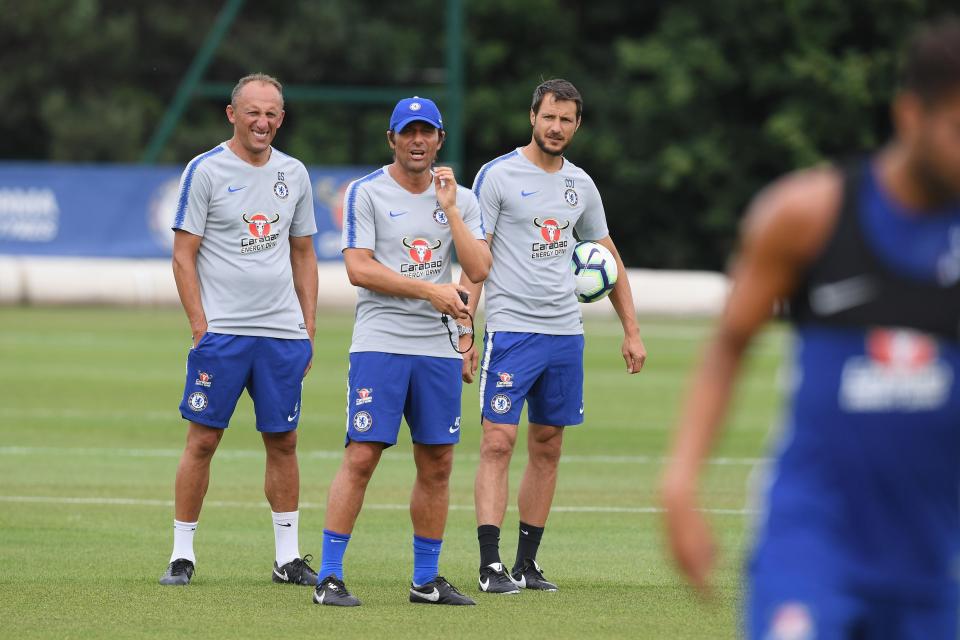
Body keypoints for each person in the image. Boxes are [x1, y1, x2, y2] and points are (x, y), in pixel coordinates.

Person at [662, 19, 960, 639]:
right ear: (911, 115)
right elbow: (728, 346)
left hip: (934, 565)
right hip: (811, 548)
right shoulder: (806, 215)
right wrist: (681, 483)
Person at [459, 79, 647, 594]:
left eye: (566, 120)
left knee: (549, 445)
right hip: (512, 331)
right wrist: (463, 332)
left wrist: (631, 329)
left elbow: (608, 257)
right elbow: (476, 258)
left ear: (577, 124)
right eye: (549, 117)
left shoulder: (581, 186)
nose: (557, 127)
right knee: (498, 441)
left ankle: (526, 563)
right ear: (532, 117)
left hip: (566, 332)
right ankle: (490, 564)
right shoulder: (496, 176)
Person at [312, 97, 492, 607]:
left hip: (436, 347)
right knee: (363, 455)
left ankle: (426, 580)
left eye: (427, 132)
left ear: (439, 139)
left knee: (437, 461)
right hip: (381, 343)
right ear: (391, 139)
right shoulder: (367, 192)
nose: (417, 141)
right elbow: (358, 269)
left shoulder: (462, 197)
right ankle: (328, 576)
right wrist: (430, 291)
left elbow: (477, 269)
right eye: (407, 132)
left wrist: (452, 208)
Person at [160, 73, 319, 587]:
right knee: (203, 441)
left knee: (284, 441)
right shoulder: (205, 170)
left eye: (272, 113)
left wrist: (307, 327)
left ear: (282, 119)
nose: (263, 122)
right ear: (232, 114)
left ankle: (287, 556)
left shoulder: (294, 173)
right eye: (253, 112)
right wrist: (200, 327)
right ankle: (182, 554)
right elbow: (184, 255)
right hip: (223, 335)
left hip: (280, 334)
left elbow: (304, 253)